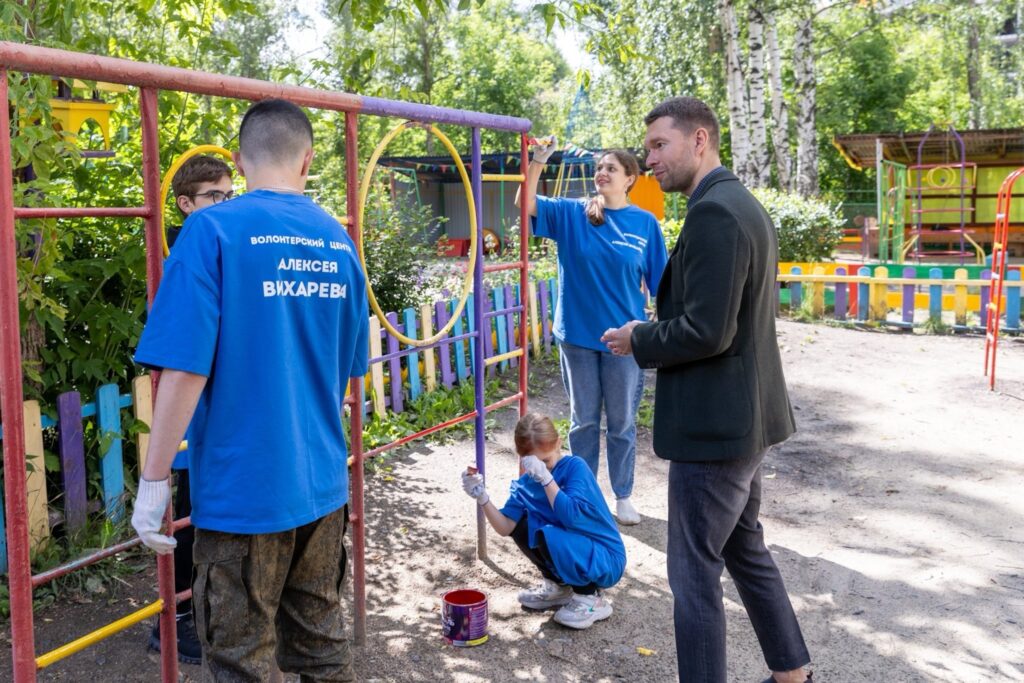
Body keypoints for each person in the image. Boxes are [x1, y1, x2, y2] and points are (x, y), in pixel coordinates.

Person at [130, 98, 368, 682]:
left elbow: (184, 371)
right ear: (309, 160)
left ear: (239, 160)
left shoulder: (211, 230)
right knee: (320, 646)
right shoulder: (339, 243)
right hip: (322, 488)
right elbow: (346, 371)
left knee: (241, 660)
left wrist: (155, 480)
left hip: (243, 494)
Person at [600, 97, 812, 683]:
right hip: (745, 420)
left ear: (699, 141)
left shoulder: (716, 212)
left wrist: (639, 337)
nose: (650, 159)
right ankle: (793, 675)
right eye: (646, 149)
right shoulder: (740, 202)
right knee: (746, 551)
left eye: (659, 146)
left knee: (693, 575)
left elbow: (707, 331)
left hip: (715, 430)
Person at [515, 141, 667, 526]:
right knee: (583, 422)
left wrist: (655, 332)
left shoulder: (645, 224)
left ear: (630, 178)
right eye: (600, 167)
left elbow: (662, 284)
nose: (602, 172)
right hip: (579, 338)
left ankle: (624, 496)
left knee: (621, 423)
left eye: (612, 168)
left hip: (625, 344)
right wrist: (538, 161)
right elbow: (525, 202)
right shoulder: (573, 213)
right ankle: (584, 494)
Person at [147, 154, 234, 665]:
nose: (224, 204)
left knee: (203, 521)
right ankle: (175, 621)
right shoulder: (191, 250)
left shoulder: (220, 242)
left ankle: (195, 612)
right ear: (185, 204)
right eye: (213, 196)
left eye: (229, 194)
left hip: (216, 410)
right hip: (189, 414)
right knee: (184, 521)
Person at [461, 413, 626, 630]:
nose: (543, 469)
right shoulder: (527, 483)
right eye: (536, 464)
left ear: (558, 443)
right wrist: (482, 497)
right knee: (523, 526)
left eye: (546, 461)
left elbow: (571, 516)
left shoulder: (576, 467)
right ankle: (559, 586)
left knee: (549, 534)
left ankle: (591, 598)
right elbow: (506, 527)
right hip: (573, 551)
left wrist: (547, 480)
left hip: (605, 559)